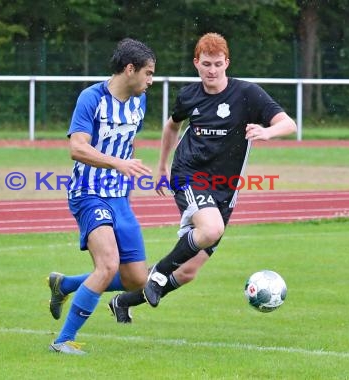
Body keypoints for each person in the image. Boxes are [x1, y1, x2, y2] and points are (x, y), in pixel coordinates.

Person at [108, 32, 297, 321]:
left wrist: (267, 131)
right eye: (206, 64)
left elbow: (288, 124)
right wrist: (162, 168)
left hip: (225, 189)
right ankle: (157, 274)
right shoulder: (188, 95)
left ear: (227, 63)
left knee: (187, 271)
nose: (212, 70)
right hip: (189, 174)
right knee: (210, 230)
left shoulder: (247, 94)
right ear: (196, 63)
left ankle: (123, 302)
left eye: (218, 64)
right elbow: (172, 127)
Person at [48, 38, 156, 354]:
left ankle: (65, 284)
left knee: (137, 279)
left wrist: (128, 170)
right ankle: (62, 341)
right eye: (148, 74)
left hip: (119, 197)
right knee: (108, 265)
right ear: (130, 69)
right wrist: (118, 163)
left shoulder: (140, 101)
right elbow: (77, 147)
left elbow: (127, 142)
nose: (150, 81)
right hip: (88, 194)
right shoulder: (91, 98)